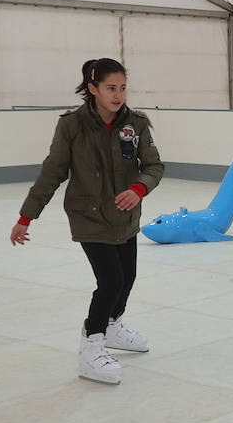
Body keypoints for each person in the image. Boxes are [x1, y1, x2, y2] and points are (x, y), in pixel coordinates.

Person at [10, 57, 164, 385]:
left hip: (125, 214)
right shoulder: (72, 125)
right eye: (111, 88)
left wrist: (139, 189)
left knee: (128, 277)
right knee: (110, 281)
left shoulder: (135, 124)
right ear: (92, 88)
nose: (118, 94)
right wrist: (27, 215)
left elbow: (154, 166)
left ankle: (112, 326)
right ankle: (91, 345)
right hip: (88, 215)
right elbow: (53, 171)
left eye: (123, 87)